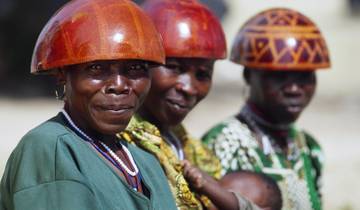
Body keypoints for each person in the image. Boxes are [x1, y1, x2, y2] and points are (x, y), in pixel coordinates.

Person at [0, 0, 178, 210]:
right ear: (62, 74)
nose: (119, 86)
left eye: (135, 68)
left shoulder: (144, 159)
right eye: (96, 68)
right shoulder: (51, 149)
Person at [117, 0, 243, 209]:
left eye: (203, 74)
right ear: (138, 65)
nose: (189, 88)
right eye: (174, 67)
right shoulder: (120, 144)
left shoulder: (193, 149)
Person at [202, 8, 331, 210]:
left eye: (305, 77)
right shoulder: (225, 143)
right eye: (279, 77)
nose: (294, 89)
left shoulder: (309, 148)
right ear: (248, 76)